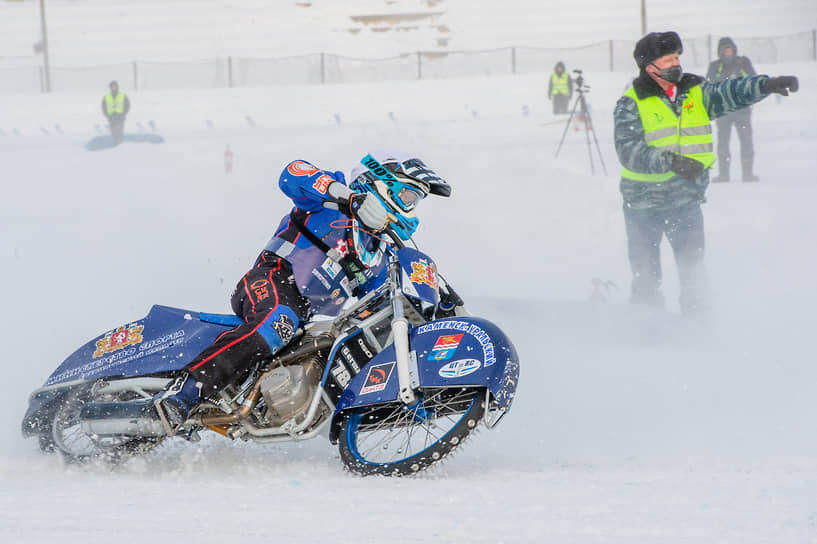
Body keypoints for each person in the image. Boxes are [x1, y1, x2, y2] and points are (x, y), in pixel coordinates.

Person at [152, 150, 460, 435]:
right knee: (278, 321)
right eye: (407, 195)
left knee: (346, 341)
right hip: (272, 280)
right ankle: (185, 389)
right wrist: (351, 200)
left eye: (415, 200)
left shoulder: (377, 255)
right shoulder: (332, 197)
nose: (410, 207)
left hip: (305, 318)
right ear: (381, 184)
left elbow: (386, 300)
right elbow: (293, 173)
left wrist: (438, 309)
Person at [613, 31, 798, 315]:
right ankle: (645, 328)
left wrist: (765, 85)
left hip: (684, 200)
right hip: (642, 204)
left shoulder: (695, 91)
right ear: (650, 67)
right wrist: (670, 162)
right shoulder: (631, 102)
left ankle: (697, 326)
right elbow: (628, 151)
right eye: (668, 59)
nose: (676, 63)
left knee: (693, 272)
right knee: (646, 276)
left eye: (677, 57)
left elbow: (730, 92)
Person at [706, 38, 758, 182]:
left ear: (734, 50)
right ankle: (724, 175)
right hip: (723, 111)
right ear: (720, 52)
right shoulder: (715, 66)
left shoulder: (743, 63)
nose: (728, 53)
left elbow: (754, 80)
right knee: (723, 142)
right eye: (725, 50)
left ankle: (748, 174)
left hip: (742, 110)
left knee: (746, 141)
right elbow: (709, 86)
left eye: (730, 50)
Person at [101, 80, 130, 145]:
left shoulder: (123, 96)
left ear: (117, 87)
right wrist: (107, 116)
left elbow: (127, 105)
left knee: (119, 133)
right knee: (114, 133)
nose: (113, 88)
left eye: (115, 86)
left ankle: (120, 146)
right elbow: (103, 107)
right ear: (110, 88)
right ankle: (115, 145)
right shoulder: (106, 97)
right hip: (111, 118)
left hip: (120, 118)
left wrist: (123, 113)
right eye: (112, 87)